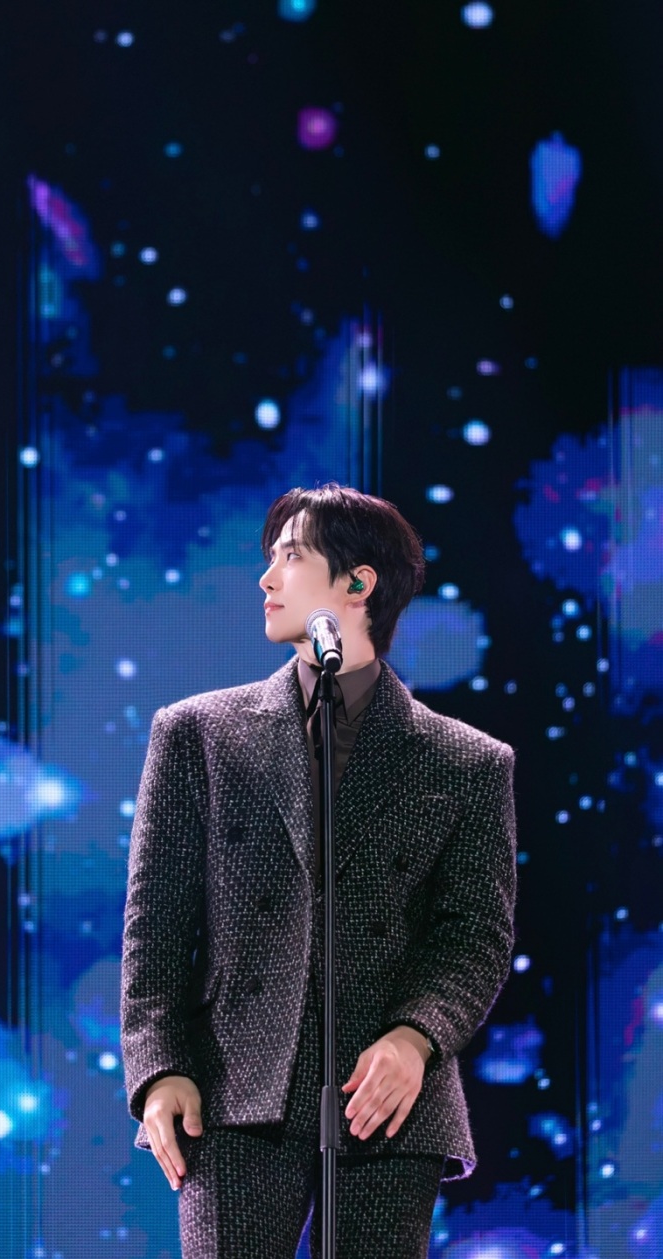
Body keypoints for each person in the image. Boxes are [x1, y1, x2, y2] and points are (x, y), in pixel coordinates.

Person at [120, 484, 517, 1258]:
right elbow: (154, 923)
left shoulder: (467, 762)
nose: (266, 578)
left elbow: (475, 934)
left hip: (385, 1099)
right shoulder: (198, 733)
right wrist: (160, 1067)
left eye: (291, 556)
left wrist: (416, 1037)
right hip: (233, 1089)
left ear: (359, 582)